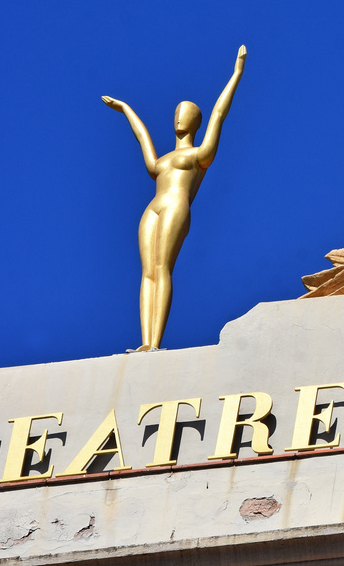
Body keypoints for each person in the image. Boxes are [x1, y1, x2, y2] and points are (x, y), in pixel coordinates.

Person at [103, 45, 246, 350]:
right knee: (148, 271)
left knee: (163, 267)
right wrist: (126, 108)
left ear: (195, 122)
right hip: (153, 208)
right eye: (176, 114)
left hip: (176, 206)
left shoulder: (200, 155)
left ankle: (155, 344)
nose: (179, 118)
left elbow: (219, 113)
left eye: (186, 114)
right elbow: (142, 138)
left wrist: (236, 74)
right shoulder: (162, 161)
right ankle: (144, 343)